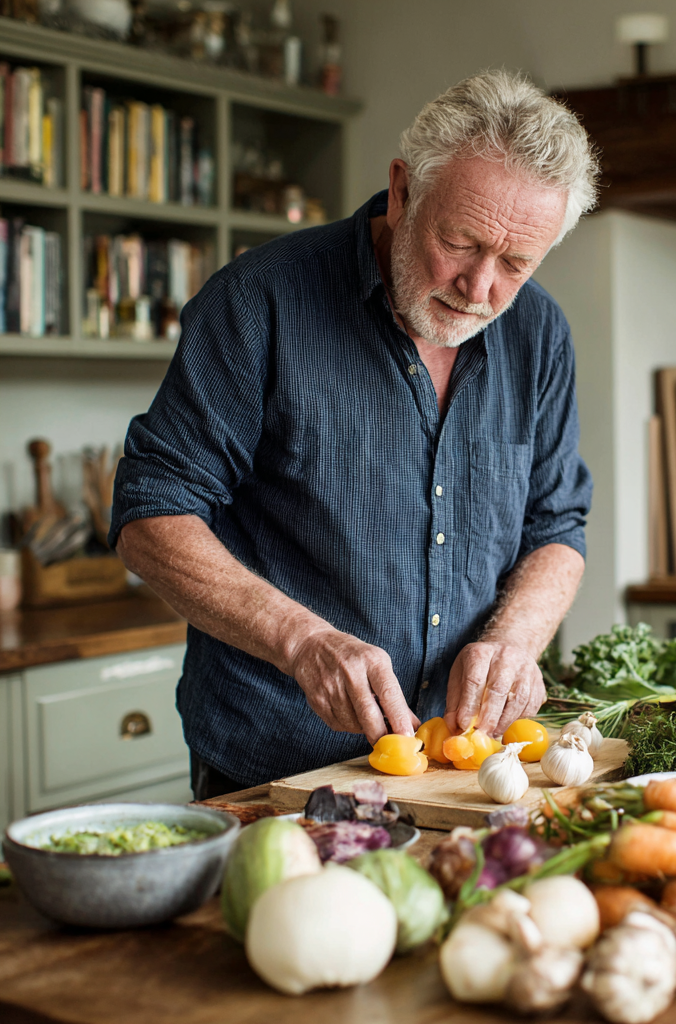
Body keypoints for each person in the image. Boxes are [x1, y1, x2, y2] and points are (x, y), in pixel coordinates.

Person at [110, 70, 600, 800]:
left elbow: (557, 525)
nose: (479, 288)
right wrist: (301, 640)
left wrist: (514, 640)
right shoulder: (261, 301)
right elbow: (150, 513)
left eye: (517, 264)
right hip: (275, 770)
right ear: (403, 191)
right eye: (460, 242)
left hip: (461, 777)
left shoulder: (540, 334)